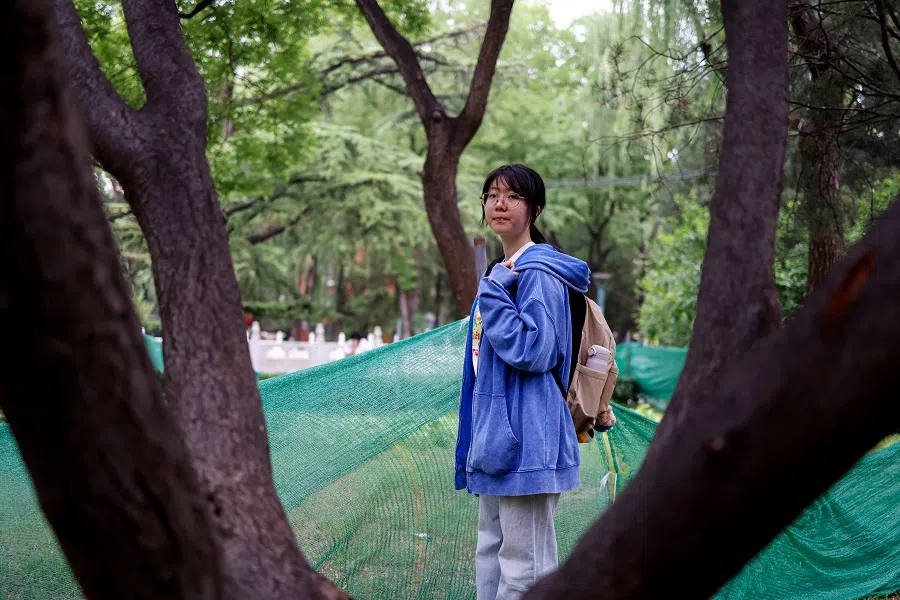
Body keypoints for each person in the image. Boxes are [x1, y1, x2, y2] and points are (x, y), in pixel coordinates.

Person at [454, 164, 590, 600]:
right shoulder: (503, 269)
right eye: (492, 195)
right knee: (490, 556)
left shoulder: (537, 273)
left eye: (512, 196)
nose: (499, 203)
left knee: (525, 570)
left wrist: (492, 292)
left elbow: (537, 351)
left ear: (533, 208)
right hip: (496, 438)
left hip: (530, 435)